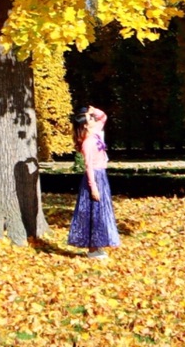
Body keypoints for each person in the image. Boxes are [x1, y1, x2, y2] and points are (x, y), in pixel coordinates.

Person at [67, 107, 120, 258]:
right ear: (84, 125)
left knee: (100, 212)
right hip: (94, 178)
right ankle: (92, 250)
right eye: (90, 118)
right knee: (92, 212)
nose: (93, 118)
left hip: (101, 175)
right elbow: (89, 166)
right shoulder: (88, 143)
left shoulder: (96, 133)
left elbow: (103, 117)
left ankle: (98, 246)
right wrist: (94, 187)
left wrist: (92, 110)